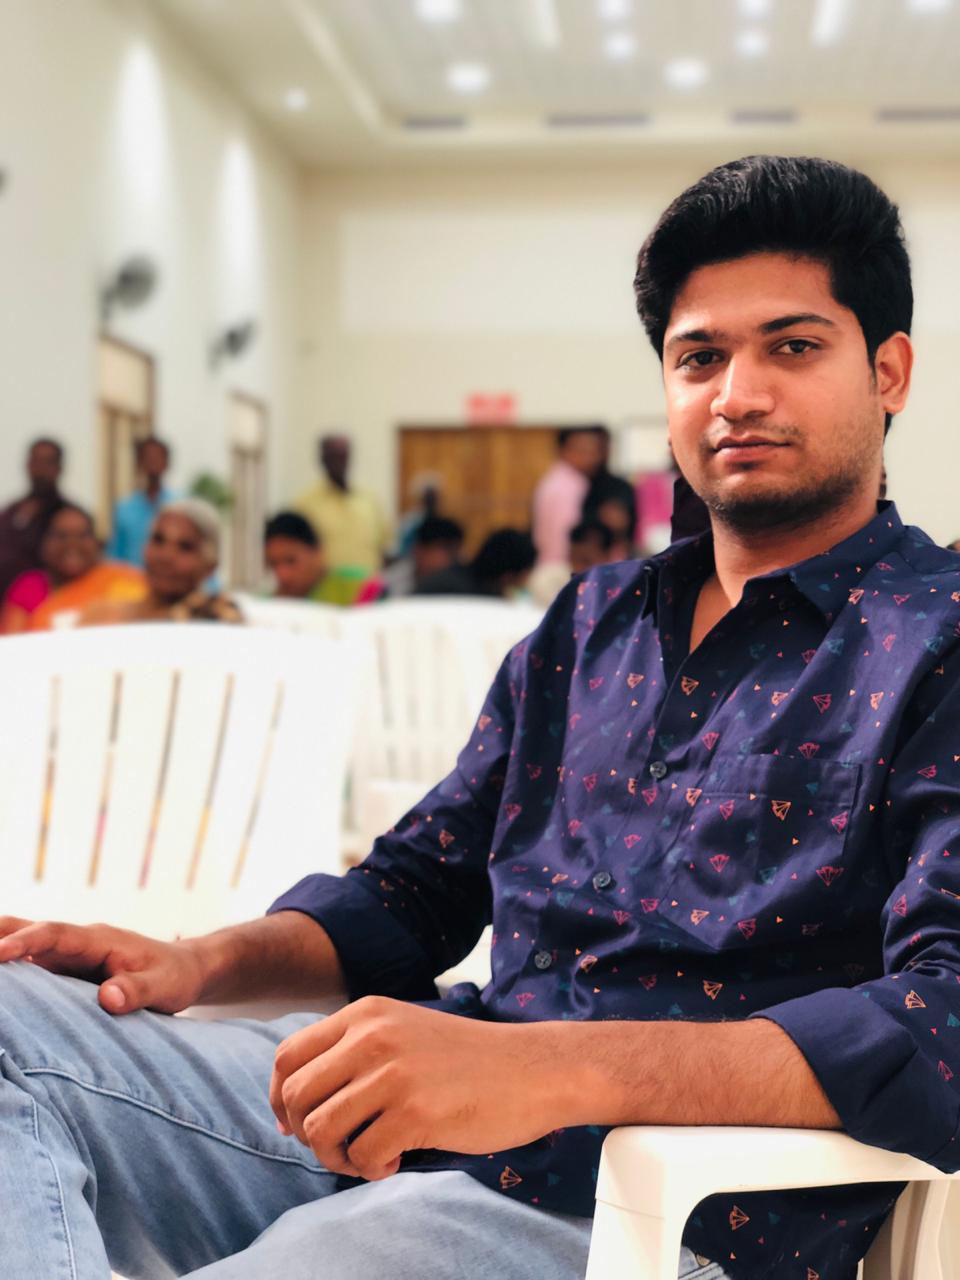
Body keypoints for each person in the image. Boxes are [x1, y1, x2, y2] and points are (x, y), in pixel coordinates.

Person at [0, 155, 951, 1280]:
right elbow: (416, 888)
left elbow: (941, 1016)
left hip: (657, 1211)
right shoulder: (593, 623)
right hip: (429, 1119)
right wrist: (197, 960)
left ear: (888, 370)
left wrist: (551, 1072)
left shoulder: (930, 638)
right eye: (699, 357)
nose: (737, 393)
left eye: (792, 347)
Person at [79, 498, 241, 626]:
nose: (165, 556)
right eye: (158, 540)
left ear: (210, 567)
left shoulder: (216, 618)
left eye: (185, 547)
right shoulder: (101, 616)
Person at [0, 504, 145, 633]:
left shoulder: (120, 579)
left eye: (83, 535)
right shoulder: (28, 588)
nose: (72, 544)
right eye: (61, 536)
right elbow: (13, 645)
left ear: (97, 542)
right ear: (43, 543)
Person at [293, 434, 391, 579]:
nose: (339, 462)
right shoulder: (304, 504)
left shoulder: (369, 500)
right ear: (322, 459)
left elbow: (384, 547)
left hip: (369, 586)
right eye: (333, 456)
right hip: (325, 588)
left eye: (343, 456)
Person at [0, 437, 67, 600]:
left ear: (59, 468)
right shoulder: (10, 512)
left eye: (47, 462)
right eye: (36, 461)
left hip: (48, 604)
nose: (40, 469)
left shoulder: (67, 516)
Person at [531, 427, 604, 565]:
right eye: (584, 451)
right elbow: (565, 531)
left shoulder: (555, 478)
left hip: (549, 561)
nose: (592, 458)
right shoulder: (569, 484)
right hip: (561, 562)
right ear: (564, 450)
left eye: (594, 451)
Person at [263, 511, 366, 607]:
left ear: (317, 552)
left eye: (291, 561)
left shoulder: (356, 586)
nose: (283, 575)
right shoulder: (270, 603)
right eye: (273, 564)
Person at [357, 516, 466, 602]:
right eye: (447, 550)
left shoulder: (461, 584)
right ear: (419, 550)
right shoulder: (390, 583)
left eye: (456, 551)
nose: (455, 558)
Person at [107, 437, 178, 567]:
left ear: (167, 463)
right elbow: (116, 555)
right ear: (139, 463)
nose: (153, 462)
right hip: (132, 578)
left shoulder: (180, 506)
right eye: (148, 458)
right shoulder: (124, 509)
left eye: (157, 458)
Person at [414, 527, 535, 599]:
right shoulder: (469, 596)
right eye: (526, 573)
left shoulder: (461, 577)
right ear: (507, 576)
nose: (527, 579)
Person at [580, 425, 638, 545]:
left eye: (599, 448)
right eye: (585, 449)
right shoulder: (572, 485)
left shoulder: (621, 487)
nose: (593, 454)